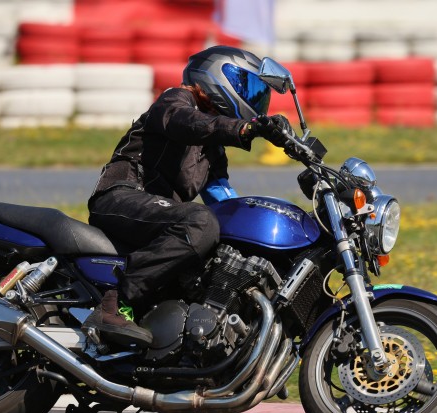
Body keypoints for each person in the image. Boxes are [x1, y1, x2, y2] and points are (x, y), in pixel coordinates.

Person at [82, 45, 294, 348]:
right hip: (122, 197)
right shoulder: (175, 100)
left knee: (225, 238)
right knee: (200, 223)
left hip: (159, 216)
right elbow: (186, 124)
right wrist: (246, 128)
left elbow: (224, 200)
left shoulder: (213, 151)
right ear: (216, 76)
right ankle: (113, 305)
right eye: (246, 87)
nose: (254, 99)